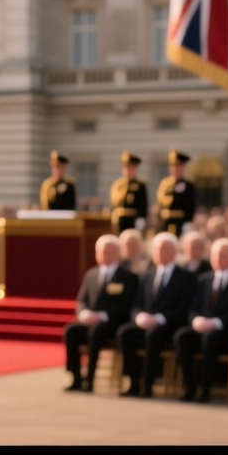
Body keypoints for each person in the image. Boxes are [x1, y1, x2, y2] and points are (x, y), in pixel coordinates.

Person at [173, 238, 228, 403]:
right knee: (182, 336)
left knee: (209, 339)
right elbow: (194, 308)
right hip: (203, 326)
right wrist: (196, 320)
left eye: (223, 255)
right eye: (214, 254)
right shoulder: (204, 279)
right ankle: (190, 386)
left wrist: (216, 322)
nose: (218, 258)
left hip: (227, 330)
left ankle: (206, 390)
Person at [114, 233, 195, 397]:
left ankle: (148, 384)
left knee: (153, 335)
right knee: (125, 333)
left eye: (164, 249)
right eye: (156, 249)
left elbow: (185, 308)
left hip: (170, 324)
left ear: (174, 251)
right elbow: (137, 303)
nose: (159, 252)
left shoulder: (186, 277)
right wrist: (139, 316)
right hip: (146, 322)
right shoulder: (147, 274)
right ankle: (133, 382)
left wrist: (159, 318)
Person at [61, 235, 138, 392]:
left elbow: (126, 306)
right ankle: (75, 376)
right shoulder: (91, 274)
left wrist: (102, 316)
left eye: (107, 251)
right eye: (100, 251)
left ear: (117, 252)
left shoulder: (128, 277)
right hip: (90, 320)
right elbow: (81, 301)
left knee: (97, 331)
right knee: (71, 330)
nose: (103, 254)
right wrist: (83, 314)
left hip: (112, 323)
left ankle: (90, 377)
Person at [157, 150, 195, 234]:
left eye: (178, 166)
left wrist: (188, 221)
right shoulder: (165, 183)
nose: (175, 169)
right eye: (172, 166)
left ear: (182, 167)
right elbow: (160, 202)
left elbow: (191, 204)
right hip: (165, 220)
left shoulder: (188, 185)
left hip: (180, 221)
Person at [110, 152, 148, 234]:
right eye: (125, 167)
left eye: (130, 167)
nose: (128, 170)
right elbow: (113, 204)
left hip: (133, 219)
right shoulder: (117, 184)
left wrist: (142, 218)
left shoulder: (140, 185)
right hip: (119, 219)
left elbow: (143, 203)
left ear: (135, 168)